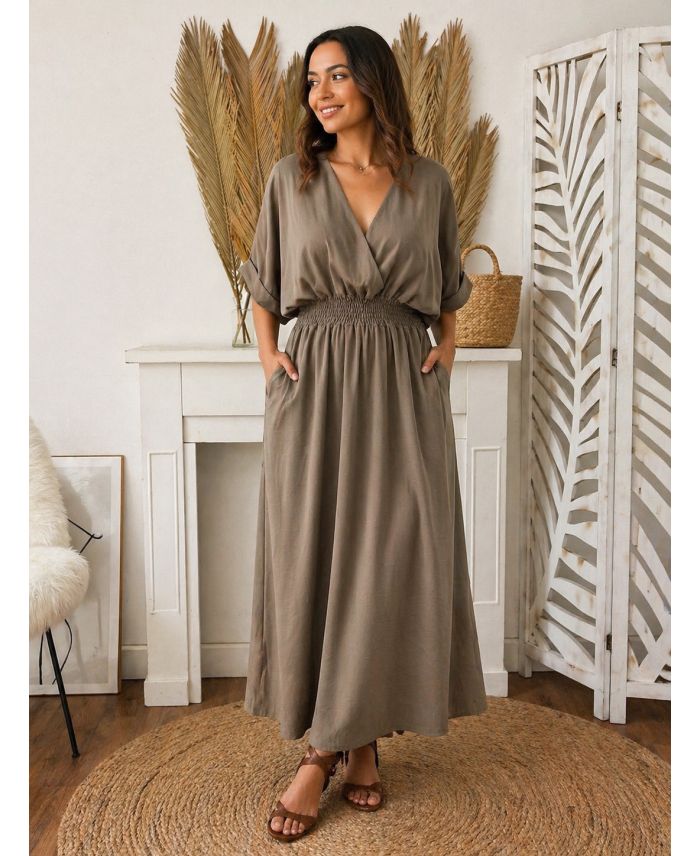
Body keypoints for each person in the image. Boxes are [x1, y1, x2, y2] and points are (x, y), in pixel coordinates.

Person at [240, 25, 488, 843]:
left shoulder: (430, 182)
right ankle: (342, 746)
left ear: (375, 81)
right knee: (316, 555)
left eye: (338, 75)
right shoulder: (291, 179)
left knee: (390, 559)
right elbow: (263, 285)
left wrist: (448, 347)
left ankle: (338, 745)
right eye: (312, 80)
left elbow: (448, 286)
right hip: (314, 386)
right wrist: (271, 358)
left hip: (400, 385)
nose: (321, 92)